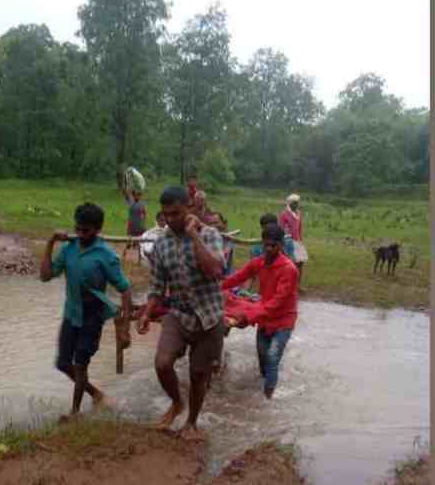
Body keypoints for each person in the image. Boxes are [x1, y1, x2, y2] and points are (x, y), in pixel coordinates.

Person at [136, 186, 226, 442]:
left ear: (189, 208)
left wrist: (193, 236)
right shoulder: (161, 244)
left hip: (209, 315)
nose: (171, 220)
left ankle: (192, 423)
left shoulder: (209, 235)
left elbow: (215, 271)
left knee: (199, 374)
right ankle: (177, 402)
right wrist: (146, 312)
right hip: (178, 313)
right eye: (166, 215)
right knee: (162, 363)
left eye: (176, 213)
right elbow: (156, 286)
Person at [40, 203, 132, 422]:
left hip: (92, 316)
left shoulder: (106, 255)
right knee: (63, 364)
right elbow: (45, 276)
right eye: (78, 229)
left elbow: (125, 289)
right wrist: (50, 243)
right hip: (71, 313)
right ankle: (97, 394)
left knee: (81, 363)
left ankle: (75, 412)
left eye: (86, 231)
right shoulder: (69, 249)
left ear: (98, 229)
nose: (80, 234)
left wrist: (125, 328)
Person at [222, 224, 299, 399]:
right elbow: (238, 277)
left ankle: (267, 400)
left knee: (272, 359)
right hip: (264, 316)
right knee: (263, 359)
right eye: (266, 245)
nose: (269, 249)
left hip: (283, 319)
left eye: (274, 245)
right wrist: (215, 286)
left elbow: (278, 302)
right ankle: (266, 388)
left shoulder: (289, 269)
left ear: (281, 245)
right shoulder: (259, 262)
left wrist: (249, 316)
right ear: (262, 244)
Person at [279, 194, 308, 279]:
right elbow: (281, 228)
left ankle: (297, 285)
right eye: (294, 203)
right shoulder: (284, 214)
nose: (296, 205)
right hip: (288, 242)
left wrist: (300, 240)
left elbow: (300, 228)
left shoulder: (299, 213)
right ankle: (290, 284)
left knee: (300, 262)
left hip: (297, 241)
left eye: (297, 203)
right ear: (290, 203)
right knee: (291, 264)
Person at [123, 188, 148, 263]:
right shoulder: (130, 202)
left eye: (139, 195)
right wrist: (127, 191)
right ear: (133, 196)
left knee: (140, 242)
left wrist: (144, 222)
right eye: (135, 195)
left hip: (139, 225)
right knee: (128, 241)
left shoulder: (142, 204)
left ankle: (139, 258)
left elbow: (144, 213)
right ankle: (124, 255)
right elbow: (126, 195)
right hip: (131, 224)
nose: (137, 196)